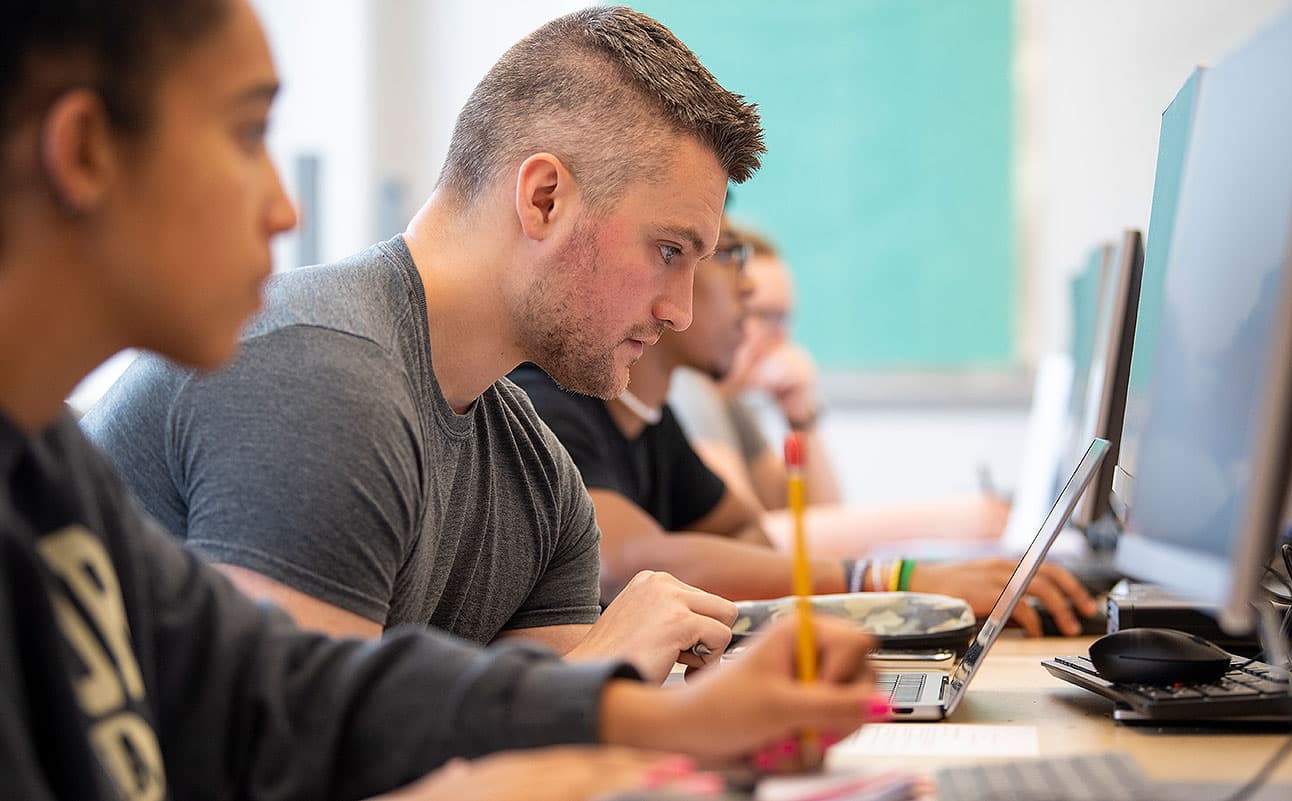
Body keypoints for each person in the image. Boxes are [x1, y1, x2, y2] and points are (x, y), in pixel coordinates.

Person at [0, 2, 882, 798]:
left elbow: (299, 694)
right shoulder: (318, 372)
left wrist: (675, 725)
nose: (281, 208)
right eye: (246, 133)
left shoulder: (44, 461)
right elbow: (296, 761)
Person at [83, 3, 764, 683]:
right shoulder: (319, 378)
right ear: (545, 199)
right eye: (669, 250)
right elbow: (301, 756)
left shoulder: (540, 477)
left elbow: (548, 745)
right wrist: (604, 671)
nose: (679, 310)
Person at [512, 223, 1098, 636]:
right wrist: (888, 580)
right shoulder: (545, 401)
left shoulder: (652, 424)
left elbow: (748, 535)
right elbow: (630, 560)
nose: (745, 291)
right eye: (726, 254)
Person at [669, 227, 1012, 555]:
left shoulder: (732, 406)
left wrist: (801, 417)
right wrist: (940, 521)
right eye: (766, 316)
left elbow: (819, 514)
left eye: (786, 320)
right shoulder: (689, 389)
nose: (782, 339)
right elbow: (751, 541)